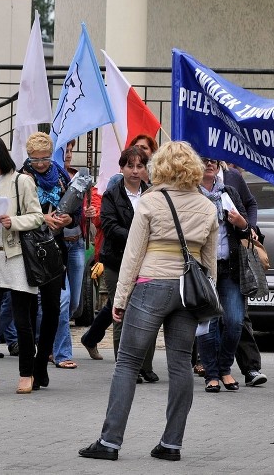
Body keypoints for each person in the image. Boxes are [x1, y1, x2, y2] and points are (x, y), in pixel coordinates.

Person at [79, 141, 217, 462]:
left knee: (127, 362)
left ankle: (110, 441)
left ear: (161, 167)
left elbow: (133, 255)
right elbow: (210, 265)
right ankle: (171, 444)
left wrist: (121, 296)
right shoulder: (208, 206)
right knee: (181, 364)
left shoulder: (151, 201)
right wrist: (207, 303)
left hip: (151, 283)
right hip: (188, 289)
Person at [0, 133, 43, 396]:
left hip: (16, 257)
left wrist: (13, 221)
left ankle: (27, 373)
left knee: (22, 320)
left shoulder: (22, 181)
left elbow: (37, 217)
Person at [81, 147, 152, 381]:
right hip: (117, 260)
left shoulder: (151, 194)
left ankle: (145, 366)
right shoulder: (112, 194)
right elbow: (110, 226)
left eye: (139, 166)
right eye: (129, 166)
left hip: (147, 261)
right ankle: (126, 366)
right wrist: (138, 235)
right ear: (121, 168)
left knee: (147, 311)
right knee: (121, 308)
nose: (134, 170)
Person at [19, 132, 80, 382]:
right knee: (30, 309)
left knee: (54, 308)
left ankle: (43, 360)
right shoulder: (21, 177)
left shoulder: (63, 177)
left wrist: (68, 219)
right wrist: (40, 218)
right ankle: (30, 362)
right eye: (35, 160)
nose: (41, 164)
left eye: (44, 158)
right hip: (28, 249)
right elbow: (15, 212)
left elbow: (75, 212)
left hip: (55, 249)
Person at [196, 157, 251, 393]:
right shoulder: (191, 195)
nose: (209, 164)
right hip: (203, 269)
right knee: (207, 322)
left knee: (235, 321)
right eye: (204, 161)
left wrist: (242, 223)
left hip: (229, 267)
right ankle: (212, 373)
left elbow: (246, 229)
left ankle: (225, 366)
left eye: (214, 161)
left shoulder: (228, 193)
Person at [222, 163, 268, 387]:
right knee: (206, 315)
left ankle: (251, 368)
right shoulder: (192, 176)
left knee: (238, 317)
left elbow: (249, 204)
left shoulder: (232, 178)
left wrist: (249, 226)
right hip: (207, 260)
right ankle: (208, 365)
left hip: (233, 256)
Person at [53, 140, 85, 370]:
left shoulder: (77, 179)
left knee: (73, 302)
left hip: (76, 244)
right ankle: (61, 352)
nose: (69, 155)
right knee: (62, 301)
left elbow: (80, 215)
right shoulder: (49, 178)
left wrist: (80, 216)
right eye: (65, 150)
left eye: (72, 151)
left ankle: (48, 340)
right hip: (55, 246)